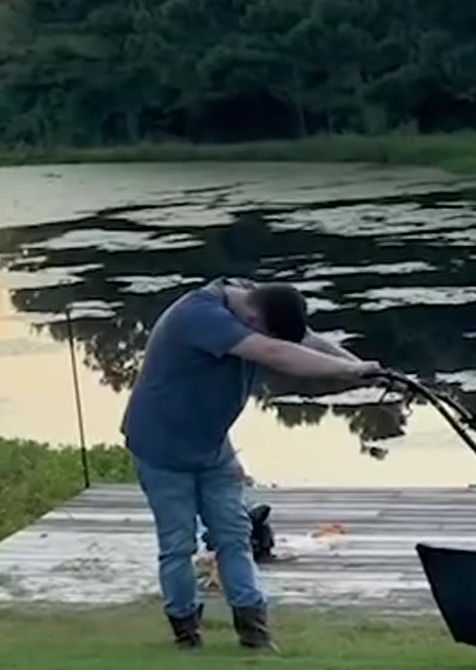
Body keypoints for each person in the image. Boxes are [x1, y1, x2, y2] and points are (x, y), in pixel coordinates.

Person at [120, 277, 381, 651]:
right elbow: (277, 354)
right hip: (162, 447)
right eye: (266, 334)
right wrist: (348, 373)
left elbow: (303, 341)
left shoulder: (252, 297)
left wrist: (363, 368)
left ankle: (255, 634)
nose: (269, 340)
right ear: (253, 316)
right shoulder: (199, 315)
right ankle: (186, 635)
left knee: (235, 536)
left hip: (212, 446)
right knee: (177, 544)